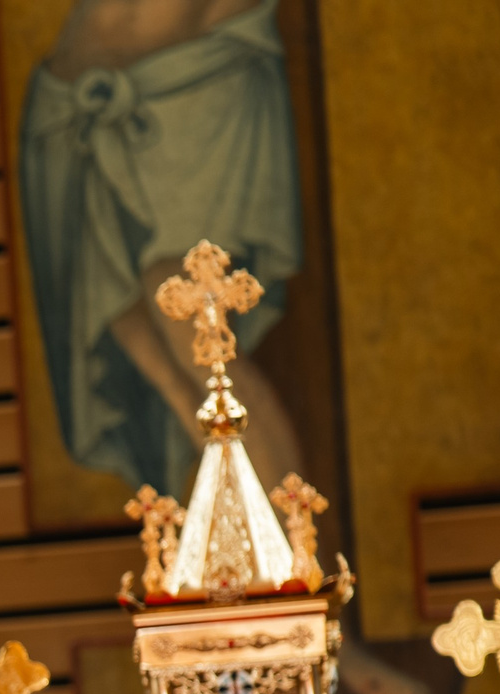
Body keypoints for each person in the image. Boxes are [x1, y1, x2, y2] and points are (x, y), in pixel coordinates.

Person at [19, 0, 304, 497]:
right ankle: (241, 542)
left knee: (200, 341)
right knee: (142, 341)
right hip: (80, 110)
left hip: (184, 84)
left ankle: (297, 550)